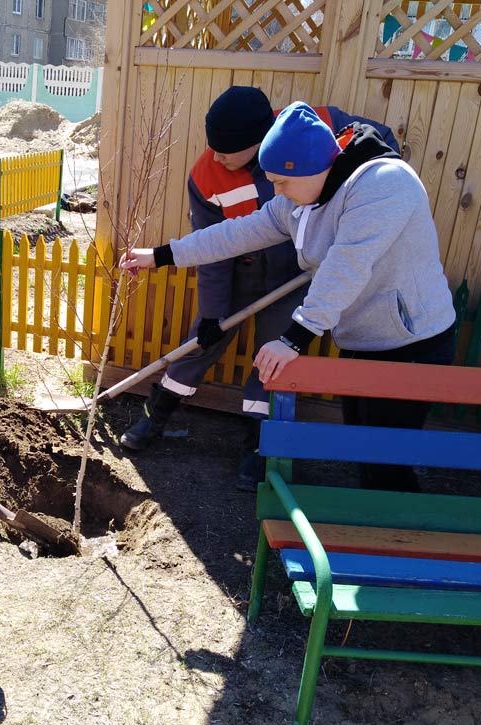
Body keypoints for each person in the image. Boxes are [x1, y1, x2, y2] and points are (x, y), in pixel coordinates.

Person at [119, 101, 456, 492]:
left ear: (311, 167)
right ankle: (376, 531)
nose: (275, 191)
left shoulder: (384, 184)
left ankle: (397, 541)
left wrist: (293, 339)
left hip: (410, 342)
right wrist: (162, 256)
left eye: (281, 182)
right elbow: (238, 233)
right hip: (362, 339)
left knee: (388, 459)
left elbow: (346, 265)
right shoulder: (303, 199)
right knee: (366, 450)